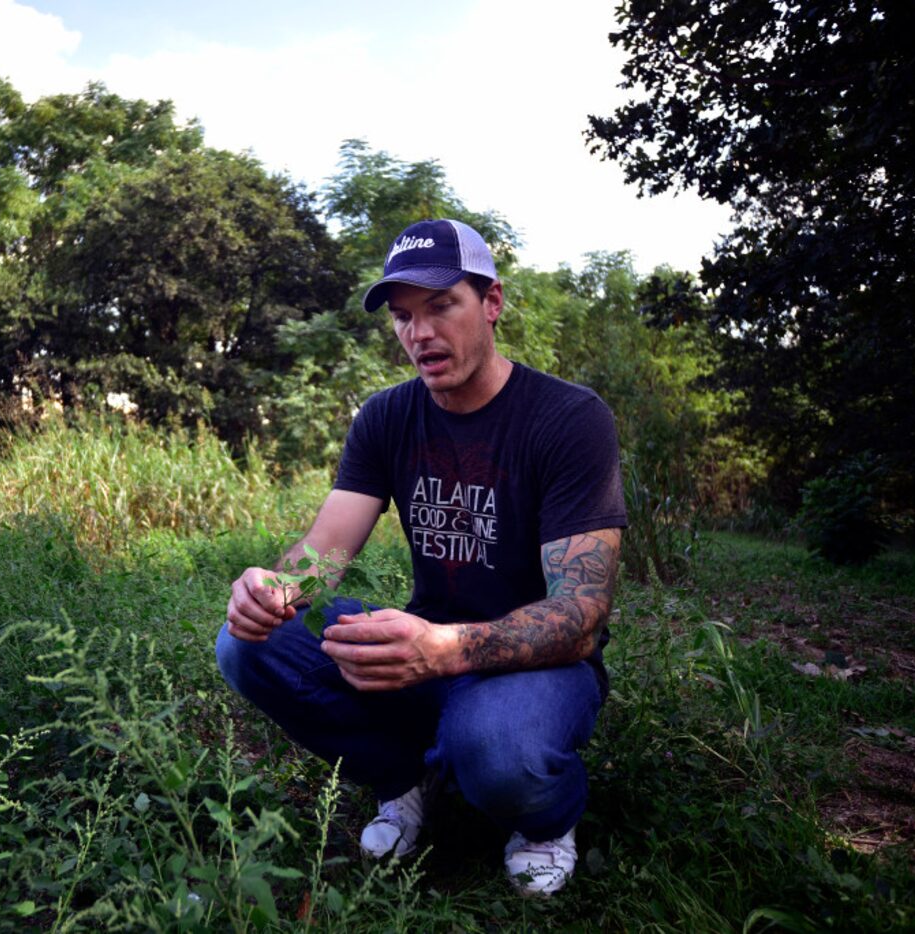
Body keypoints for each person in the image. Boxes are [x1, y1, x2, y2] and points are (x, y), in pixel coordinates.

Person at [215, 218, 625, 896]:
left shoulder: (569, 419)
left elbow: (581, 614)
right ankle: (404, 781)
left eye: (442, 306)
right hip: (423, 647)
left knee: (495, 750)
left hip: (539, 666)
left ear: (491, 302)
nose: (420, 333)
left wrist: (447, 650)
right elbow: (324, 553)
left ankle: (546, 821)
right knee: (247, 647)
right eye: (404, 316)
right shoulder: (385, 417)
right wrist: (275, 590)